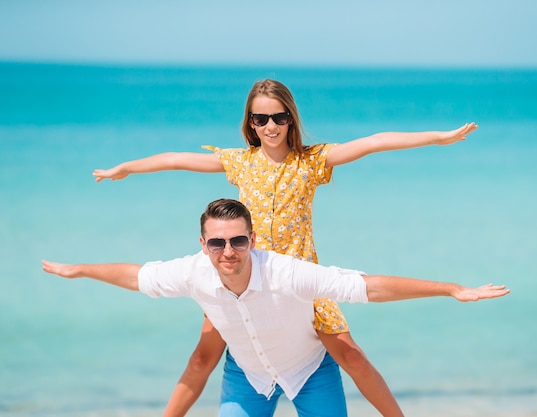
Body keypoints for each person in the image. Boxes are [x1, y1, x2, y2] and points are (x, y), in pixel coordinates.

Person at [92, 79, 479, 416]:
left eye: (279, 117)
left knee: (352, 356)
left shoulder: (312, 161)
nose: (270, 126)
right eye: (260, 119)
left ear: (290, 118)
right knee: (201, 357)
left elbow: (373, 142)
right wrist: (125, 167)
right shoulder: (240, 162)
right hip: (242, 277)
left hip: (300, 281)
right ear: (251, 123)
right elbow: (176, 159)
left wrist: (439, 137)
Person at [42, 198, 510, 417]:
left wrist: (451, 289)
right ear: (203, 244)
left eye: (239, 240)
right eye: (218, 242)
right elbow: (134, 275)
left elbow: (368, 286)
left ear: (252, 240)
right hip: (247, 378)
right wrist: (80, 270)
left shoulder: (287, 272)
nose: (229, 250)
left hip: (310, 371)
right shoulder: (192, 271)